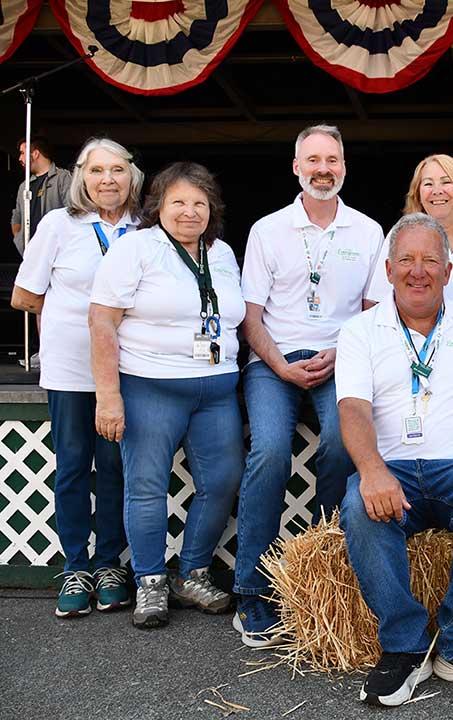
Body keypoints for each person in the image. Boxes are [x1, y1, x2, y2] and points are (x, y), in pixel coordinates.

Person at [337, 213, 453, 707]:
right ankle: (405, 646)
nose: (419, 271)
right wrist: (372, 471)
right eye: (408, 260)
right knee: (358, 506)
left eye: (431, 260)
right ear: (389, 269)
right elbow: (352, 408)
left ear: (449, 271)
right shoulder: (359, 331)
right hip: (392, 463)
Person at [233, 125, 384, 647]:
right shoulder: (267, 230)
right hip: (272, 360)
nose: (324, 169)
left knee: (345, 444)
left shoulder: (367, 231)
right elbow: (249, 318)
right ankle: (252, 590)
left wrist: (341, 353)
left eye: (333, 160)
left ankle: (325, 572)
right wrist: (279, 366)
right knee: (270, 451)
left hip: (341, 356)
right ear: (295, 167)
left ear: (344, 166)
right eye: (313, 160)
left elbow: (373, 314)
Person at [89, 162, 245, 629]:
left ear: (211, 209)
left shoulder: (220, 252)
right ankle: (150, 580)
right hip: (150, 387)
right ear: (158, 206)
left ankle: (192, 571)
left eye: (199, 202)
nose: (189, 211)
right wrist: (108, 396)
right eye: (178, 201)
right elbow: (101, 321)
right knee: (147, 487)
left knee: (222, 480)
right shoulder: (136, 248)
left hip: (217, 391)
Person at [11, 138, 142, 618]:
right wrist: (73, 320)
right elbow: (24, 295)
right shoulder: (58, 225)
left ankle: (108, 565)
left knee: (113, 469)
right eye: (96, 170)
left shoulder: (146, 228)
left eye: (117, 169)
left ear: (133, 175)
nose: (107, 179)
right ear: (81, 177)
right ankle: (75, 566)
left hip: (127, 367)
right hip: (69, 368)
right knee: (71, 467)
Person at [369, 153, 453, 316]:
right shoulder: (400, 234)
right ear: (418, 195)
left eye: (446, 182)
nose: (437, 191)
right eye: (428, 184)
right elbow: (376, 303)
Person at [11, 135, 72, 256]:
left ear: (35, 154)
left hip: (57, 255)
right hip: (30, 255)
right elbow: (16, 216)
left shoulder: (64, 178)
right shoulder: (24, 186)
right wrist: (19, 239)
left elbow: (74, 213)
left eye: (22, 153)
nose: (19, 158)